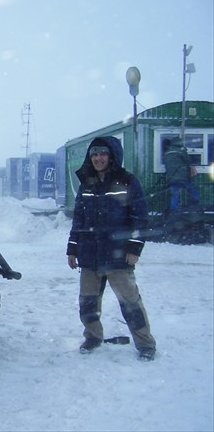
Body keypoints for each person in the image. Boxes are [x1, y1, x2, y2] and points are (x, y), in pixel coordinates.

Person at [66, 136, 157, 361]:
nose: (98, 158)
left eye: (103, 154)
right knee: (88, 304)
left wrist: (134, 248)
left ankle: (145, 344)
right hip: (89, 255)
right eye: (94, 154)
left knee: (131, 305)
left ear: (112, 156)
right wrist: (72, 248)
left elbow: (139, 217)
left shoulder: (127, 181)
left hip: (118, 256)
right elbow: (78, 218)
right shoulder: (87, 183)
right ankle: (93, 337)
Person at [162, 137, 200, 211]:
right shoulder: (181, 151)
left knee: (174, 195)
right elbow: (188, 161)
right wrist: (185, 151)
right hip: (182, 177)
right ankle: (194, 204)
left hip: (171, 178)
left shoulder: (167, 153)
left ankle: (173, 210)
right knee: (192, 189)